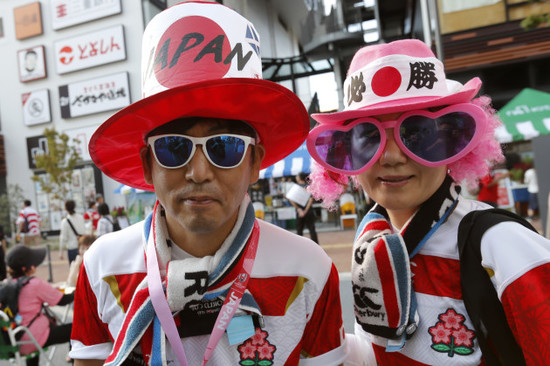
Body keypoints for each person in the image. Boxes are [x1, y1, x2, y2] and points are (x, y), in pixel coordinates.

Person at [70, 2, 346, 365]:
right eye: (173, 148)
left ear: (255, 163)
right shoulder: (100, 267)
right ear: (148, 164)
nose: (198, 172)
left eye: (225, 147)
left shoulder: (309, 268)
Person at [306, 39, 550, 365]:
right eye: (368, 136)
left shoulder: (499, 243)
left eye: (416, 132)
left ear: (452, 138)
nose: (391, 157)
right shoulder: (372, 238)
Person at [6, 245, 73, 366]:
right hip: (32, 339)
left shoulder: (7, 284)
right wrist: (76, 292)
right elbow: (62, 300)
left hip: (13, 339)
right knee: (76, 328)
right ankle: (75, 360)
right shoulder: (35, 284)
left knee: (33, 331)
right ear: (29, 268)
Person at [288, 172, 319, 244]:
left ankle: (300, 246)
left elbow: (290, 199)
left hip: (299, 212)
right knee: (312, 229)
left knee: (299, 230)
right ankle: (316, 246)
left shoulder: (295, 187)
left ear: (299, 178)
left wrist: (299, 209)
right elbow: (311, 199)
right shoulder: (309, 187)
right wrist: (306, 210)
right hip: (309, 211)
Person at [59, 199, 86, 264]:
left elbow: (63, 238)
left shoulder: (64, 221)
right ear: (74, 207)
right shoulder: (81, 217)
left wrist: (61, 252)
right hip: (82, 247)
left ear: (65, 208)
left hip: (72, 248)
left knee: (74, 269)